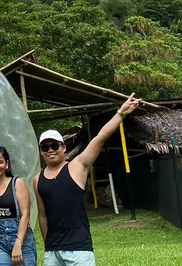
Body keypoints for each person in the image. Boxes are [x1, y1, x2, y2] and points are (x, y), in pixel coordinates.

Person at [34, 94, 140, 266]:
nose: (50, 150)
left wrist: (121, 113)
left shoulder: (78, 166)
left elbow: (100, 138)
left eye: (54, 145)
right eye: (45, 147)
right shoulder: (37, 179)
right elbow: (43, 215)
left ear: (63, 147)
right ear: (41, 151)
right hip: (52, 252)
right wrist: (48, 245)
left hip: (79, 249)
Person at [0, 145, 36, 266]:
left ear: (6, 164)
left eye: (0, 162)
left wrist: (18, 243)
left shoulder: (17, 183)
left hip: (21, 239)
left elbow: (25, 215)